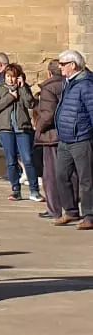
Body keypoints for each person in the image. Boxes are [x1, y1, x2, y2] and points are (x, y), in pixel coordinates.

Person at [0, 63, 41, 202]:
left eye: (13, 77)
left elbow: (30, 103)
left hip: (22, 128)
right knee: (11, 160)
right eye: (8, 76)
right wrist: (10, 97)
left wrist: (23, 87)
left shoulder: (23, 88)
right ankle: (15, 190)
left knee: (28, 159)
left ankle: (34, 190)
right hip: (5, 129)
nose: (11, 80)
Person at [53, 50, 93, 228]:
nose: (59, 67)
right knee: (61, 175)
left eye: (62, 64)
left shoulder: (85, 84)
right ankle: (70, 211)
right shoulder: (68, 83)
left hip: (81, 138)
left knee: (87, 179)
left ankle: (90, 216)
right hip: (65, 139)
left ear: (73, 65)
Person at [33, 60, 63, 221]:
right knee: (68, 174)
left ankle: (54, 209)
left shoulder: (49, 88)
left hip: (51, 136)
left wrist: (38, 129)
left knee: (50, 174)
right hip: (68, 135)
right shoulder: (69, 84)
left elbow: (47, 114)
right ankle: (71, 208)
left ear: (49, 73)